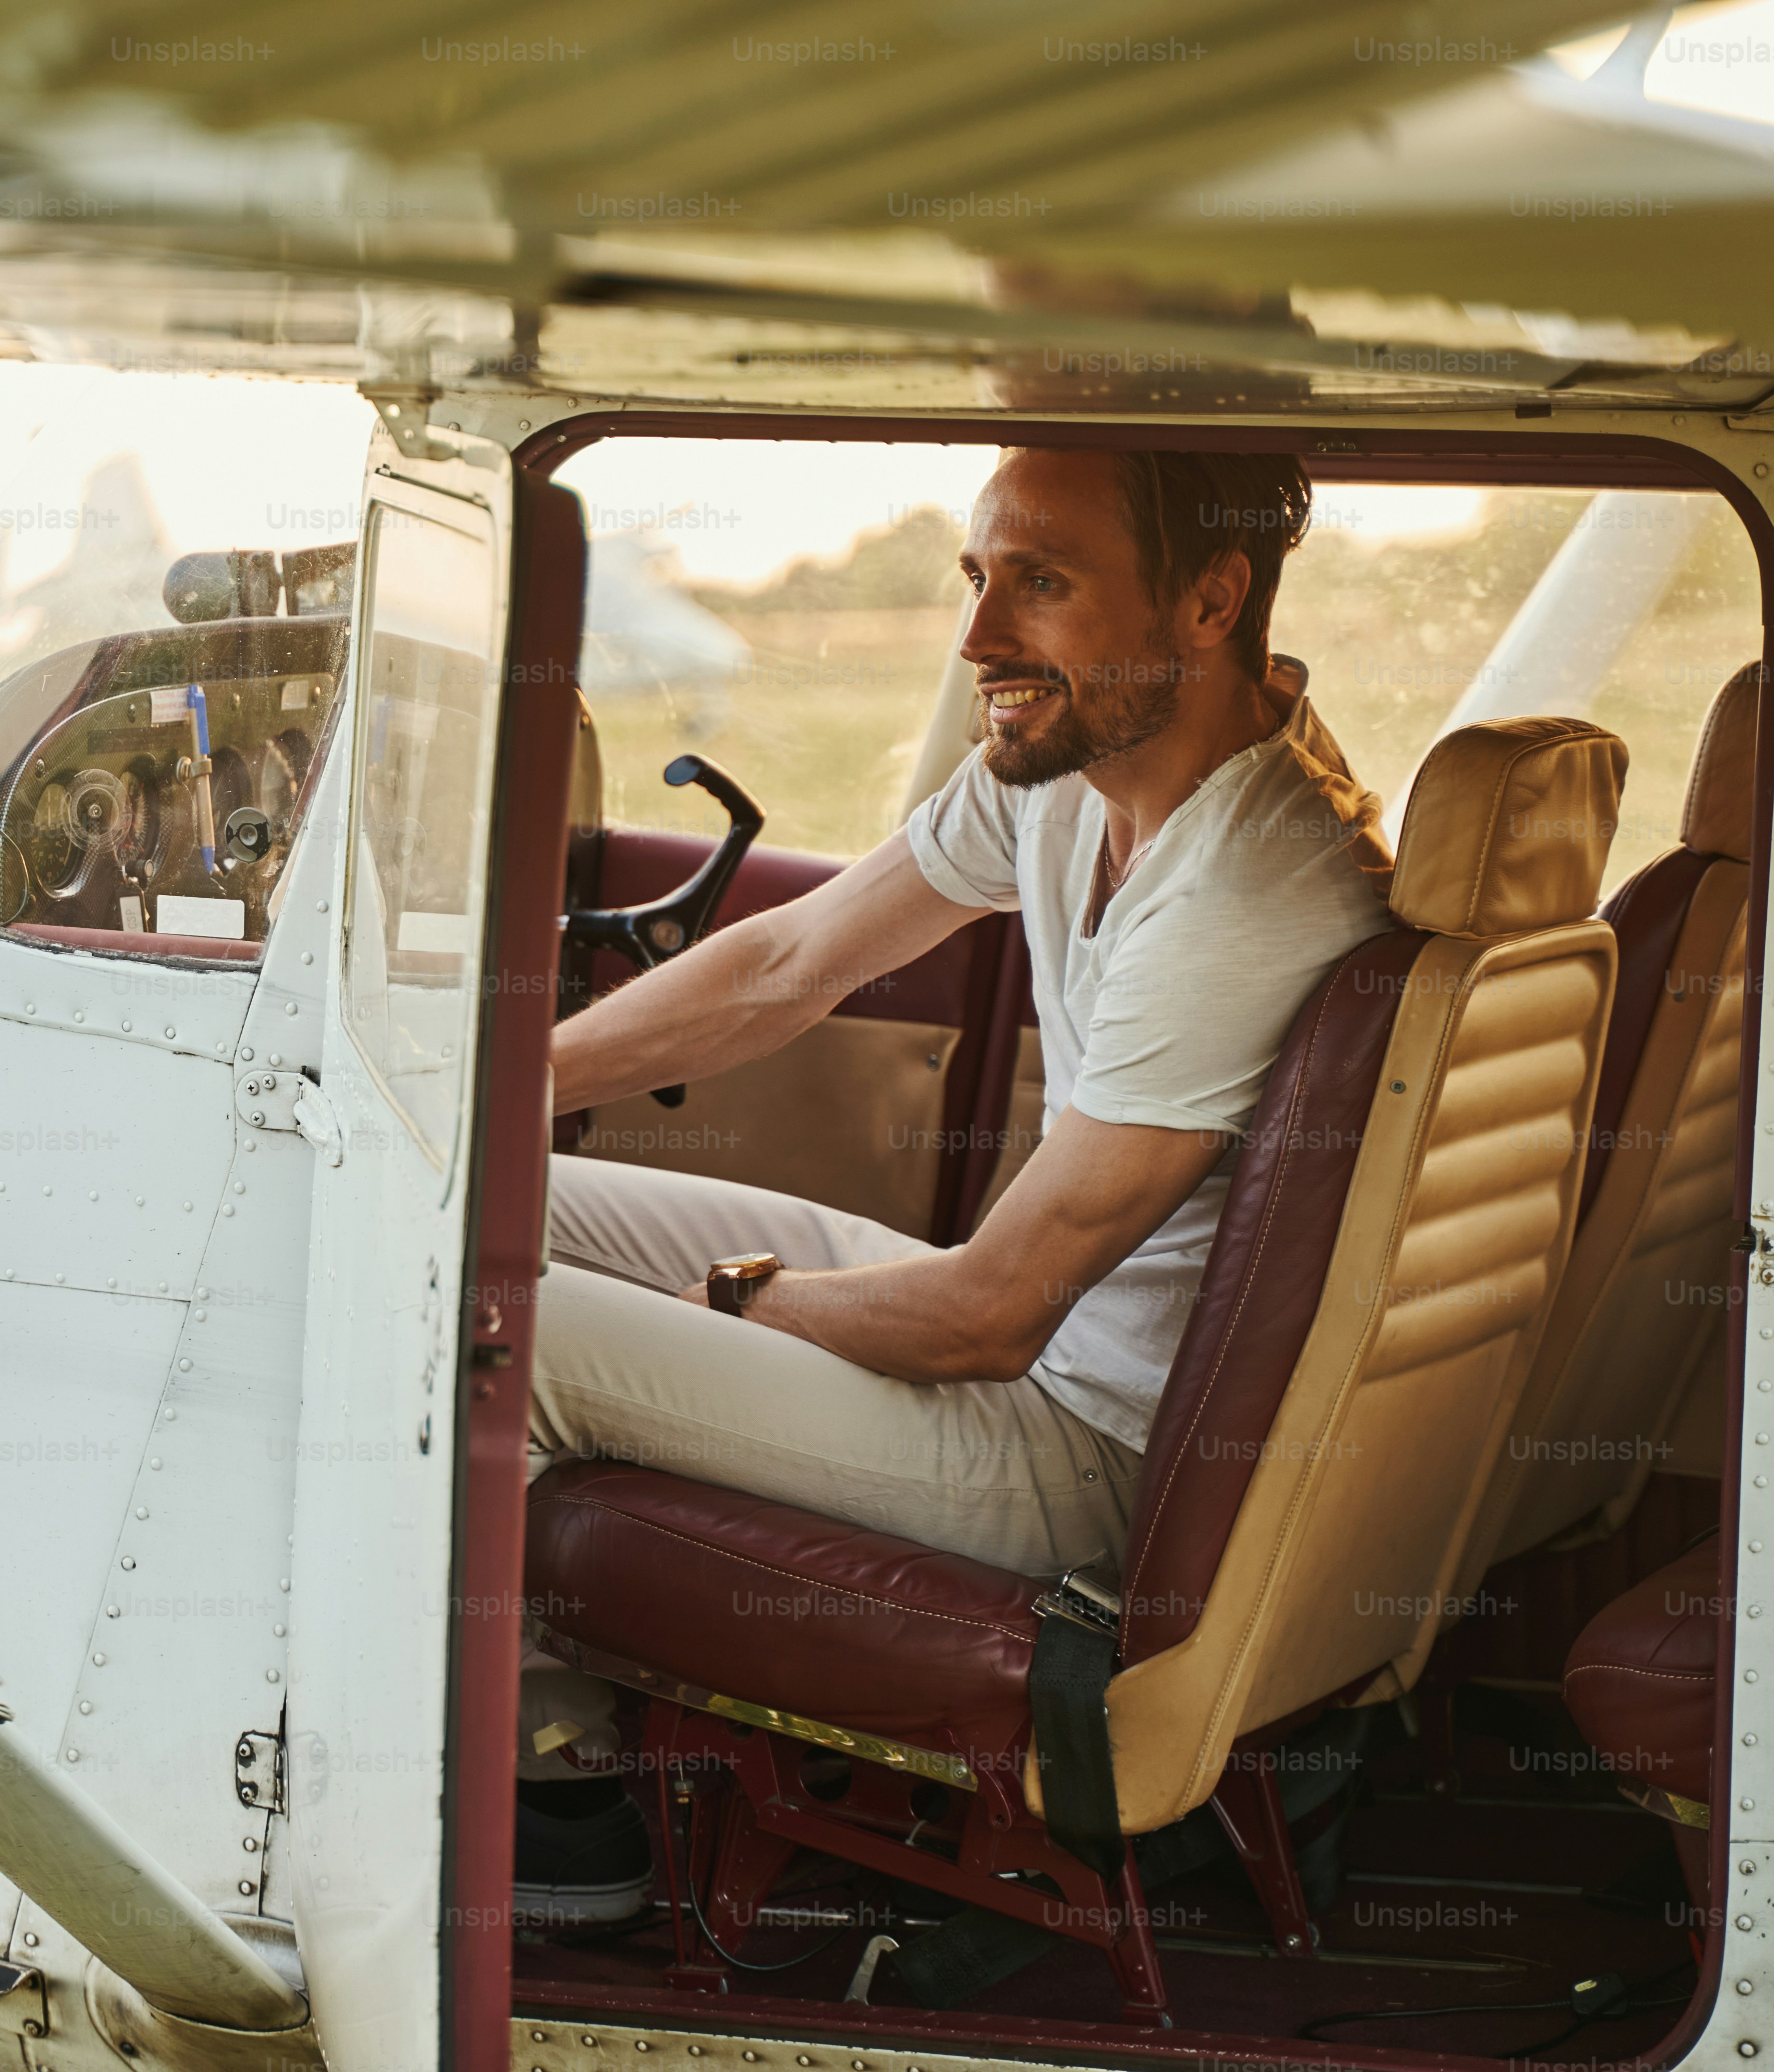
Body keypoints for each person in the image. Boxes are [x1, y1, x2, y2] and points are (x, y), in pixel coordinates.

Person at [511, 447, 1397, 1924]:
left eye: (1040, 585)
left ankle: (557, 1790)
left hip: (1083, 1451)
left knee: (509, 1333)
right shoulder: (1068, 772)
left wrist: (736, 1307)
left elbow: (987, 1315)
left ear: (1211, 599)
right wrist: (496, 1093)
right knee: (480, 1201)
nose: (980, 636)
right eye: (978, 578)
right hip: (1040, 1360)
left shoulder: (1253, 884)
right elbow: (792, 962)